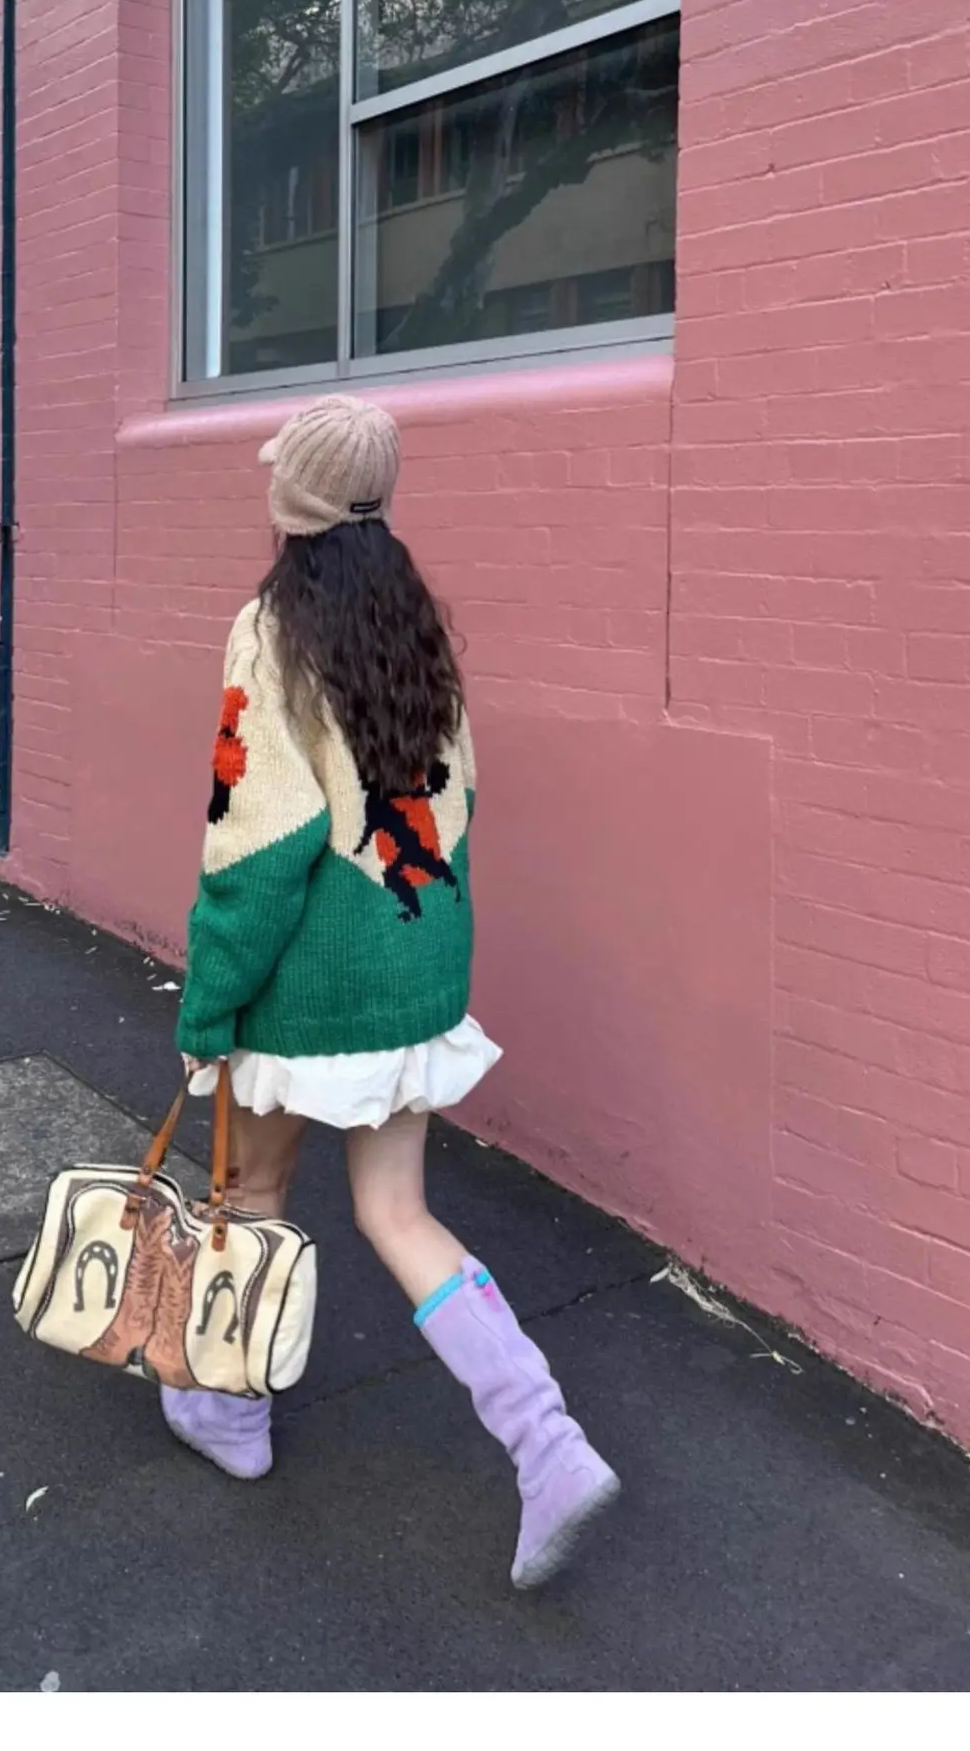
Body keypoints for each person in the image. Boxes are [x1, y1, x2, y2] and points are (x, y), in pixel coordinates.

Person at [168, 395, 618, 1592]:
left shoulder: (268, 630)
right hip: (412, 971)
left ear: (291, 500)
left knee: (249, 1191)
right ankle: (547, 1444)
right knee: (398, 1213)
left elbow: (255, 844)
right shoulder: (414, 624)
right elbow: (454, 807)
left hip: (303, 992)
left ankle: (226, 1412)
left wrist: (206, 1008)